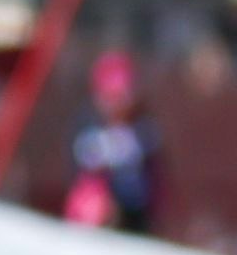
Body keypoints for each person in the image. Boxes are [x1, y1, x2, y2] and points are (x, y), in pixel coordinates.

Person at [62, 48, 162, 232]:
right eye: (111, 97)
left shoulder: (143, 131)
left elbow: (147, 188)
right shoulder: (87, 127)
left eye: (121, 96)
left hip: (134, 220)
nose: (116, 104)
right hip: (93, 218)